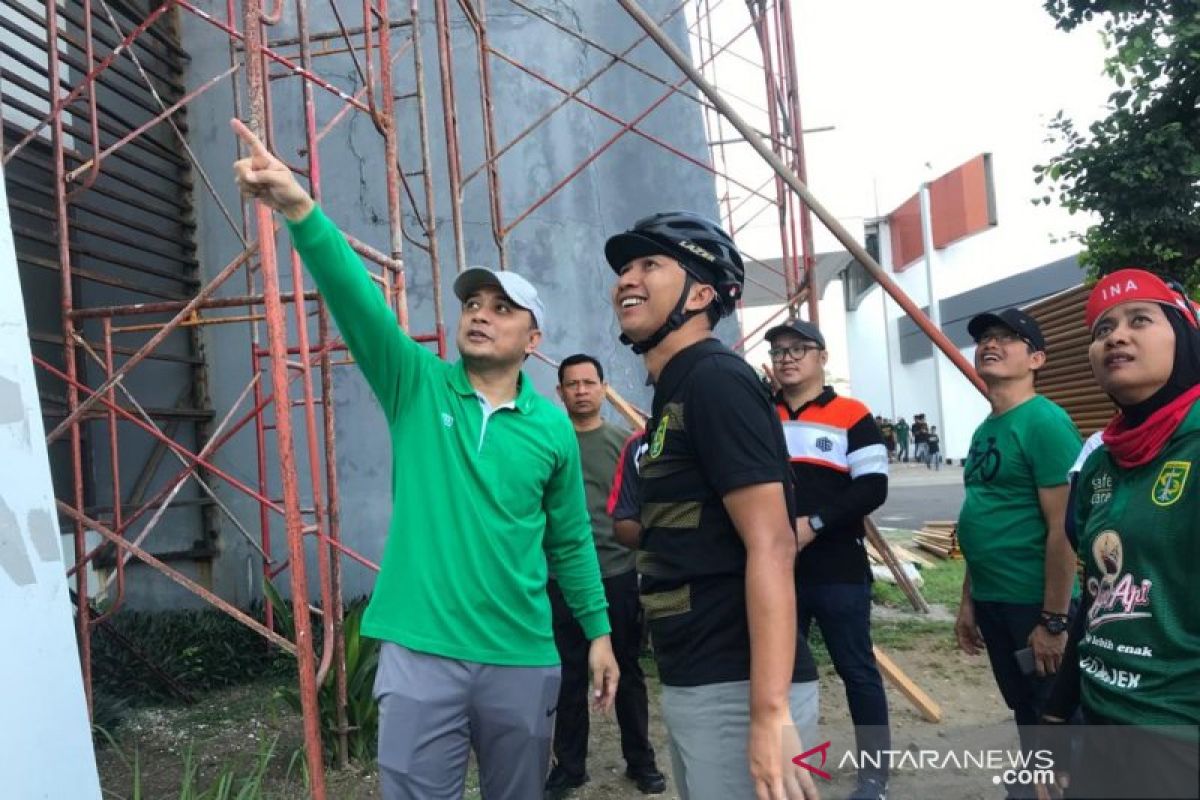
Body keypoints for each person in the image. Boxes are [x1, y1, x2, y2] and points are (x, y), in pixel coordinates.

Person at [230, 119, 618, 800]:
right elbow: (359, 304)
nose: (480, 314)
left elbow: (570, 539)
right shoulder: (415, 383)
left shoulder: (553, 430)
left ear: (534, 339)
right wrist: (299, 208)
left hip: (521, 655)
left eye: (502, 308)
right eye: (472, 302)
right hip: (420, 650)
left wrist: (599, 632)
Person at [605, 211, 820, 800]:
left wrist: (771, 712)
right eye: (625, 266)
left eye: (650, 263)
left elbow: (772, 542)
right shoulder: (676, 389)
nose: (628, 277)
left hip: (740, 682)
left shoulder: (715, 379)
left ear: (702, 293)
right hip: (698, 675)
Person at [1041, 269, 1200, 799]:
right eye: (1102, 328)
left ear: (1186, 333)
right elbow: (1098, 599)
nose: (1115, 336)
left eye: (1140, 320)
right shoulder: (1100, 463)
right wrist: (1058, 716)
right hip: (1103, 723)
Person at [953, 307, 1081, 798]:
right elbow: (981, 515)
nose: (991, 344)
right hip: (993, 598)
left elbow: (1063, 528)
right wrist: (969, 601)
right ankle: (1034, 780)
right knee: (1024, 705)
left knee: (1054, 709)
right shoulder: (987, 427)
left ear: (1037, 358)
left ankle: (1056, 784)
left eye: (1008, 338)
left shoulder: (1044, 422)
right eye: (986, 337)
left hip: (1034, 599)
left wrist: (1053, 620)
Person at [764, 319, 891, 800]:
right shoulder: (761, 413)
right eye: (778, 350)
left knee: (855, 669)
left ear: (822, 356)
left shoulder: (853, 415)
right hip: (775, 571)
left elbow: (872, 487)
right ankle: (791, 767)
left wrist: (812, 525)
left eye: (799, 348)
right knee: (782, 675)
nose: (788, 357)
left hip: (837, 569)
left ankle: (874, 775)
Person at [546, 354, 666, 797]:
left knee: (628, 669)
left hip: (616, 573)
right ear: (559, 393)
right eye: (571, 384)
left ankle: (641, 762)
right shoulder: (548, 442)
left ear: (602, 388)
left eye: (588, 382)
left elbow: (643, 509)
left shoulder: (625, 442)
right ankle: (569, 767)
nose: (580, 390)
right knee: (568, 674)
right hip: (560, 578)